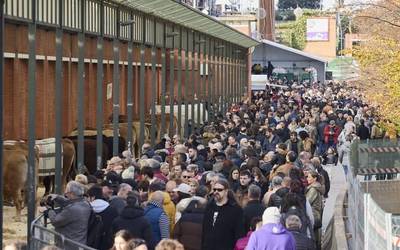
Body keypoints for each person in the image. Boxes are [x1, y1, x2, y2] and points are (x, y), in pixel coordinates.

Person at [39, 181, 91, 245]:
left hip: (68, 244)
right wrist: (57, 197)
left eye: (66, 191)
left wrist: (48, 210)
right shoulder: (84, 203)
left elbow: (55, 221)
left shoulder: (72, 209)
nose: (65, 193)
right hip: (79, 241)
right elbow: (70, 202)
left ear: (72, 193)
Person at [202, 178, 245, 250]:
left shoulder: (235, 209)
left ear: (226, 191)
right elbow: (204, 232)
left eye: (219, 190)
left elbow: (239, 234)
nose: (216, 192)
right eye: (214, 189)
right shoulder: (209, 207)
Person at [86, 185, 119, 250]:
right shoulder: (112, 209)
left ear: (92, 197)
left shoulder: (87, 209)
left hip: (90, 242)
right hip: (106, 242)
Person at [305, 170, 324, 249]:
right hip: (317, 214)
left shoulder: (313, 189)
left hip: (313, 215)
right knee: (316, 236)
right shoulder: (317, 187)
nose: (307, 179)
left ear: (315, 178)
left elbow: (307, 202)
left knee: (314, 236)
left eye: (309, 177)